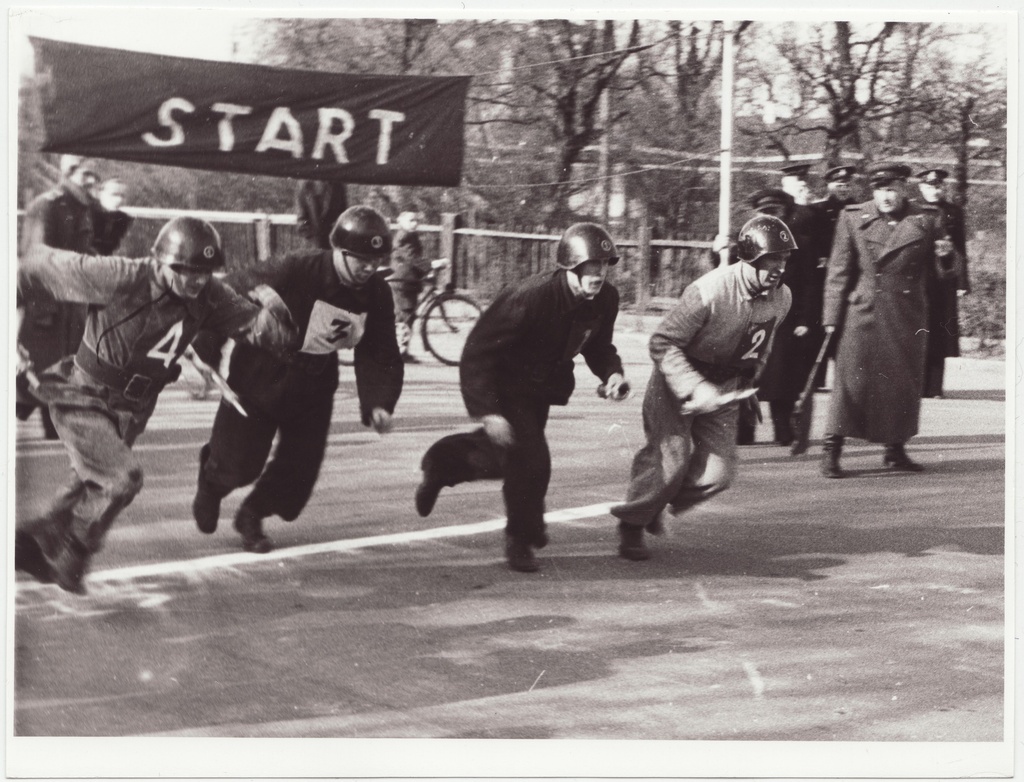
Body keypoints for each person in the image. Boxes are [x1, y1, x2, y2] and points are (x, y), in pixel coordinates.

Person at [14, 217, 300, 594]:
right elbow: (31, 267)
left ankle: (29, 544)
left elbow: (259, 330)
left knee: (89, 484)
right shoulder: (121, 276)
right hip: (83, 393)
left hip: (134, 408)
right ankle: (72, 554)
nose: (194, 280)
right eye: (183, 270)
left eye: (203, 272)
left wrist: (281, 321)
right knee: (121, 479)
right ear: (159, 260)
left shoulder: (210, 295)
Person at [414, 223, 630, 573]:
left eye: (604, 266)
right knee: (532, 461)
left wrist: (613, 374)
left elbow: (599, 347)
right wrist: (488, 412)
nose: (598, 274)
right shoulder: (530, 296)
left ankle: (441, 464)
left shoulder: (606, 299)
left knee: (507, 457)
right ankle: (521, 538)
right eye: (590, 266)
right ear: (570, 266)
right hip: (504, 386)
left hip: (540, 390)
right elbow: (477, 351)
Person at [191, 206, 404, 553]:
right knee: (238, 464)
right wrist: (208, 354)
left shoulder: (378, 293)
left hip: (315, 383)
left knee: (299, 473)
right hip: (260, 373)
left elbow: (381, 350)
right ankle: (212, 481)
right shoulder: (295, 267)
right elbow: (223, 296)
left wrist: (380, 402)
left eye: (376, 260)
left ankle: (252, 515)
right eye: (361, 259)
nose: (369, 268)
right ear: (340, 251)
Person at [610, 215, 794, 560]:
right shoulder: (709, 291)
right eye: (770, 261)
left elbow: (762, 343)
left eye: (783, 260)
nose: (777, 269)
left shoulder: (782, 298)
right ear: (749, 258)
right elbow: (662, 343)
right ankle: (633, 524)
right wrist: (694, 388)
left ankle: (656, 508)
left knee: (718, 474)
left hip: (726, 386)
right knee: (669, 460)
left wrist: (750, 382)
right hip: (678, 381)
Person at [820, 162, 959, 478]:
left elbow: (946, 274)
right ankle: (832, 450)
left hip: (907, 312)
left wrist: (946, 257)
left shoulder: (927, 219)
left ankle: (895, 449)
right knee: (849, 384)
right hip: (863, 310)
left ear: (903, 188)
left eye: (892, 189)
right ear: (873, 190)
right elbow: (838, 272)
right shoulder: (853, 217)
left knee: (900, 383)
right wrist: (831, 317)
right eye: (880, 189)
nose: (885, 196)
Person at [17, 155, 101, 439]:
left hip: (70, 308)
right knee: (38, 376)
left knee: (53, 378)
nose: (92, 181)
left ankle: (53, 431)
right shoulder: (47, 205)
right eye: (87, 174)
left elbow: (82, 253)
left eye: (94, 176)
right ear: (69, 171)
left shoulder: (83, 209)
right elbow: (33, 260)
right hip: (47, 309)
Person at [743, 190, 818, 446]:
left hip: (786, 317)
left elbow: (810, 284)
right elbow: (728, 272)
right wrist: (715, 250)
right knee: (745, 374)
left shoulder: (801, 244)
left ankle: (783, 428)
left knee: (781, 377)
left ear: (784, 215)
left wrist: (805, 320)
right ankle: (744, 430)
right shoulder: (745, 242)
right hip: (751, 315)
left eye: (775, 213)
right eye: (764, 213)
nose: (769, 218)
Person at [916, 168, 971, 398]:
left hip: (944, 278)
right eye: (929, 186)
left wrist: (963, 281)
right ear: (921, 187)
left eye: (938, 186)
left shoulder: (953, 211)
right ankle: (917, 385)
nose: (934, 190)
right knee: (918, 329)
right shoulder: (913, 210)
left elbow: (960, 247)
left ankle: (935, 387)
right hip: (919, 276)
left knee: (939, 331)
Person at [808, 165, 860, 388]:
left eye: (847, 185)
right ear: (829, 185)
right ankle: (817, 378)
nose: (843, 189)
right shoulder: (818, 210)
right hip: (822, 276)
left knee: (847, 328)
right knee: (821, 325)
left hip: (851, 276)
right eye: (839, 185)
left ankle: (844, 376)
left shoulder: (859, 209)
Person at [387, 210, 431, 362]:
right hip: (402, 281)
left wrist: (426, 271)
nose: (415, 223)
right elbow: (412, 259)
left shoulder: (410, 236)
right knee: (404, 316)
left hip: (408, 280)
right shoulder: (404, 237)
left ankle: (401, 351)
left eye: (416, 220)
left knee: (407, 315)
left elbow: (415, 259)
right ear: (401, 222)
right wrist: (433, 264)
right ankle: (399, 352)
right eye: (411, 220)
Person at [295, 179, 349, 250]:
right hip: (311, 245)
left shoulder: (338, 185)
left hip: (332, 245)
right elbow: (301, 220)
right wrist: (313, 242)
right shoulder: (304, 185)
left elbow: (343, 215)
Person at [92, 178, 135, 255]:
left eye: (122, 196)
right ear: (99, 194)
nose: (119, 199)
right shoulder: (88, 214)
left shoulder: (124, 219)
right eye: (114, 194)